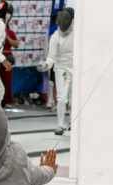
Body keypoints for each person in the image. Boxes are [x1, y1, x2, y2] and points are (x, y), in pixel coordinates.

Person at [38, 7, 74, 135]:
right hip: (61, 69)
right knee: (62, 97)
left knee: (74, 97)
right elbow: (51, 57)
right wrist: (46, 65)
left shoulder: (78, 34)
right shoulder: (55, 36)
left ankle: (73, 122)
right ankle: (60, 125)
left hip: (76, 68)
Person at [0, 4, 20, 107]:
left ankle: (7, 100)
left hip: (7, 57)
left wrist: (7, 37)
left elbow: (16, 44)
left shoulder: (10, 32)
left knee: (7, 80)